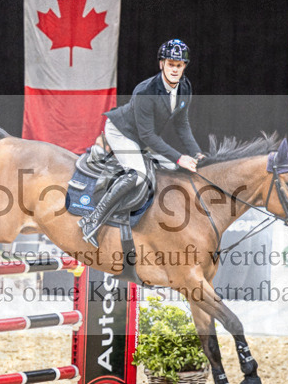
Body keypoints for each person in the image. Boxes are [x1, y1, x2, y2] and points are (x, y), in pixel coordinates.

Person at [78, 39, 206, 247]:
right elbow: (147, 136)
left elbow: (182, 125)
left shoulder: (185, 87)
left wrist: (197, 153)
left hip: (141, 136)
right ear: (161, 64)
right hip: (122, 132)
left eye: (179, 65)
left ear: (184, 67)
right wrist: (181, 156)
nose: (174, 69)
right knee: (139, 174)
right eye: (171, 64)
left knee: (172, 168)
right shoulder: (145, 90)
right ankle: (92, 220)